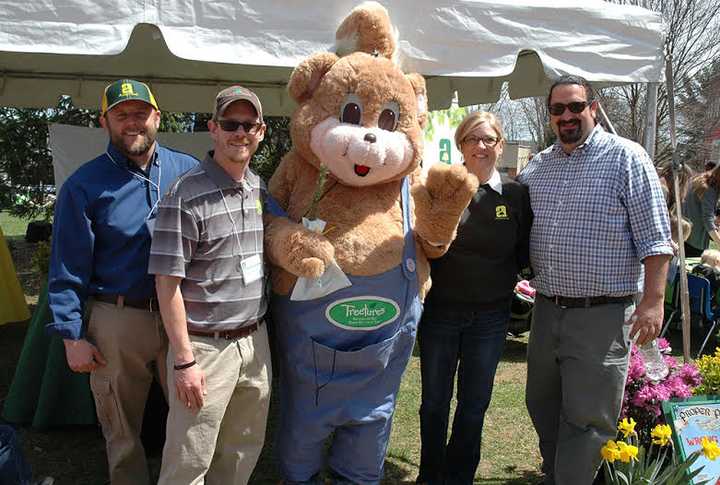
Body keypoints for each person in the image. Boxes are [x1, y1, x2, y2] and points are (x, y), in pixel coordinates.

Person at [517, 75, 673, 485]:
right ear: (550, 116)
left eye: (575, 106)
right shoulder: (538, 166)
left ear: (594, 107)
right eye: (557, 109)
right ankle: (558, 474)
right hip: (548, 310)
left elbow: (657, 240)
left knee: (588, 419)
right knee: (542, 404)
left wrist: (653, 302)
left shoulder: (627, 158)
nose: (566, 115)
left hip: (601, 315)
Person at [46, 79, 198, 485]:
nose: (133, 123)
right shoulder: (84, 185)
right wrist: (71, 336)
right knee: (120, 425)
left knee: (192, 414)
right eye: (121, 114)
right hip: (117, 317)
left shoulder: (188, 171)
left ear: (158, 118)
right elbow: (67, 265)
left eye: (140, 113)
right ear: (105, 121)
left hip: (182, 316)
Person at [148, 85, 272, 485]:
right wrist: (184, 361)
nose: (240, 132)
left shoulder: (258, 186)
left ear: (262, 131)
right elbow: (166, 284)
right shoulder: (185, 194)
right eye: (230, 124)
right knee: (189, 460)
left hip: (255, 342)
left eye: (248, 124)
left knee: (241, 451)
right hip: (204, 347)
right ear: (213, 129)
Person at [416, 112, 532, 485]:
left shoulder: (516, 194)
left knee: (473, 405)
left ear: (500, 145)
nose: (480, 146)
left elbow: (523, 251)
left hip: (490, 318)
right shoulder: (442, 187)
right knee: (434, 403)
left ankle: (459, 477)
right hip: (441, 314)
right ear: (460, 144)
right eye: (472, 139)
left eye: (488, 139)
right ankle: (430, 475)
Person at [682, 163, 720, 257]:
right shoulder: (709, 189)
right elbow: (707, 220)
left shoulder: (698, 179)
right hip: (695, 242)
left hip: (682, 235)